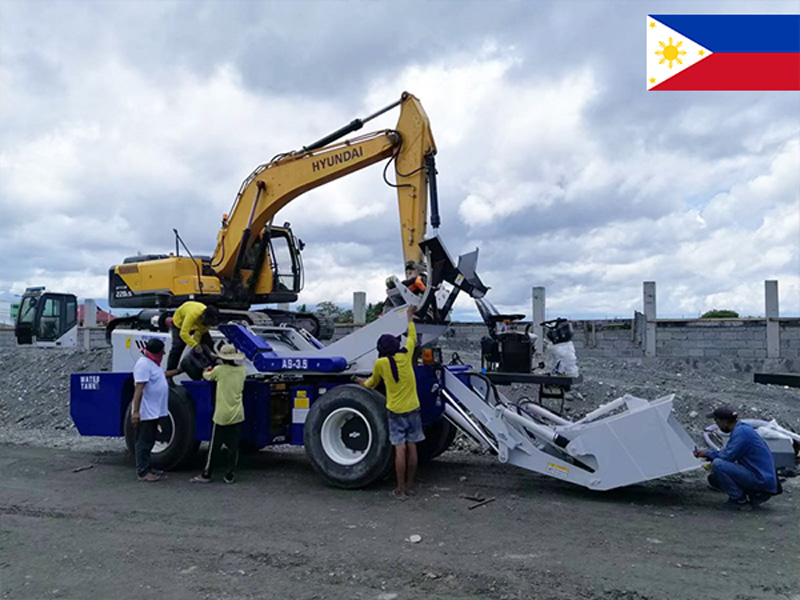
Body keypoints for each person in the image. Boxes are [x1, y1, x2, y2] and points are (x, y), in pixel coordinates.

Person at [358, 304, 424, 500]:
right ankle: (411, 487)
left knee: (399, 450)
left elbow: (371, 384)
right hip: (413, 408)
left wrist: (359, 381)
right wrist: (409, 317)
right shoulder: (406, 355)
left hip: (395, 411)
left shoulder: (381, 364)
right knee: (412, 448)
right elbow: (412, 336)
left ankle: (400, 490)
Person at [694, 406, 779, 510]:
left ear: (724, 422)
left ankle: (739, 500)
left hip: (761, 479)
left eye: (717, 422)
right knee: (715, 477)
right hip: (763, 477)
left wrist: (707, 454)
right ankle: (749, 494)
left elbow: (726, 457)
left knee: (718, 465)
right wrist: (709, 454)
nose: (716, 425)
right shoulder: (743, 429)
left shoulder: (741, 433)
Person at [190, 343, 247, 484]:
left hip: (222, 415)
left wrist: (205, 369)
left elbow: (207, 376)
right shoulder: (242, 371)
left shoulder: (219, 370)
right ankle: (229, 475)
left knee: (214, 447)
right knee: (233, 447)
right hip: (238, 413)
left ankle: (207, 474)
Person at [131, 338, 180, 482]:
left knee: (151, 440)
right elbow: (138, 390)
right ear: (156, 353)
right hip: (146, 412)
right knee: (144, 442)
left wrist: (178, 371)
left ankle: (148, 467)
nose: (163, 355)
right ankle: (142, 472)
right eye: (161, 352)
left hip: (155, 411)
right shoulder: (143, 365)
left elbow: (160, 376)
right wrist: (135, 412)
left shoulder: (152, 363)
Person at [166, 301, 220, 372]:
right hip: (180, 325)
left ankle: (216, 369)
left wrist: (197, 347)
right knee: (177, 348)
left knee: (209, 343)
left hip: (195, 325)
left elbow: (199, 333)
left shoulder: (208, 321)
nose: (208, 325)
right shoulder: (192, 314)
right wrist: (194, 345)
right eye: (207, 323)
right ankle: (169, 374)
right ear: (203, 316)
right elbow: (183, 333)